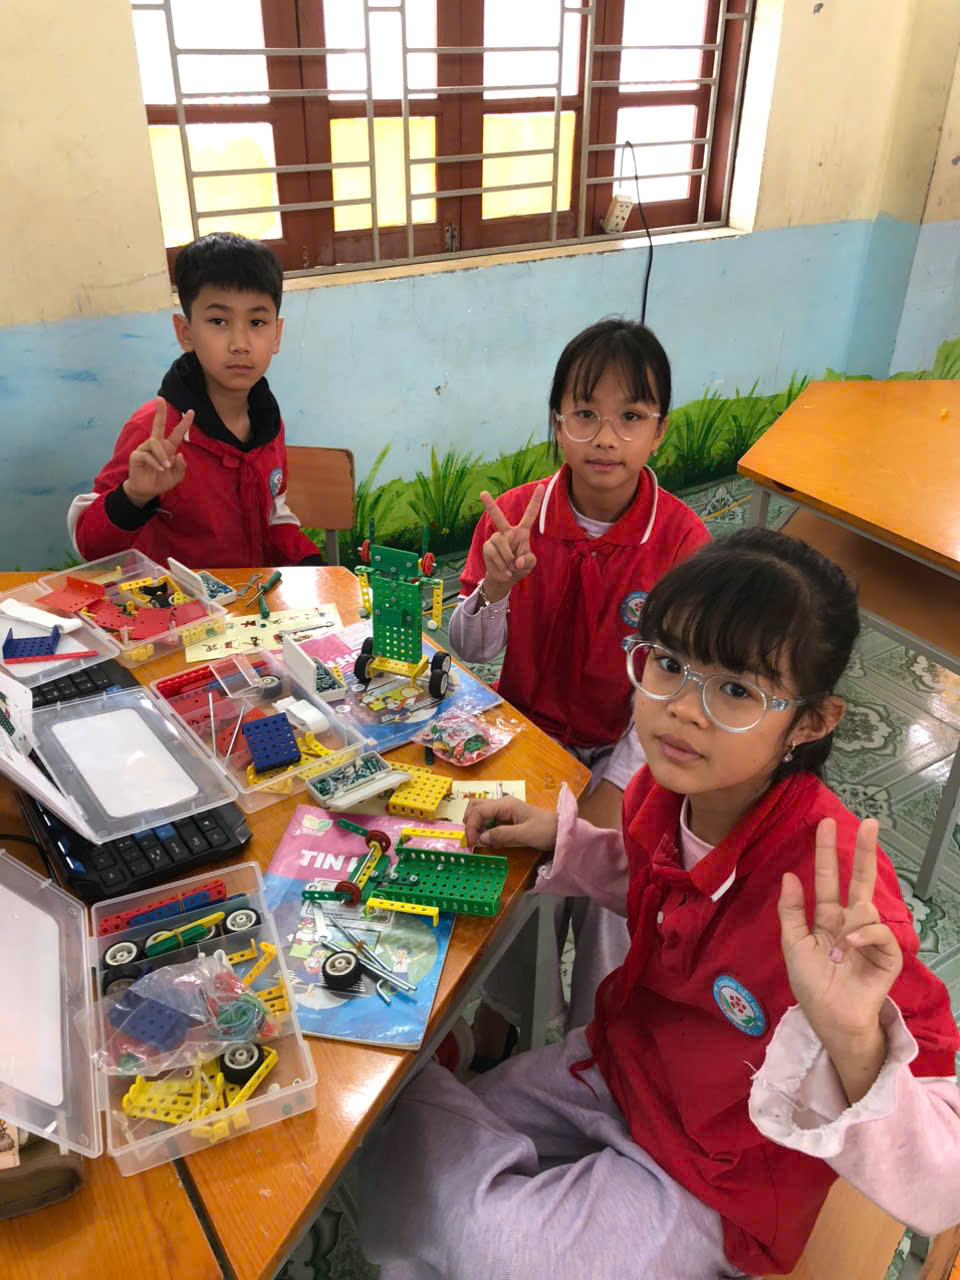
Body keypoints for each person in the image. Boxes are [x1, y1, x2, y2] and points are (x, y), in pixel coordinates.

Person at [358, 529, 960, 1279]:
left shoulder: (842, 901)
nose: (682, 710)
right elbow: (667, 891)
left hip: (719, 1177)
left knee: (488, 1238)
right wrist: (567, 841)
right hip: (620, 1068)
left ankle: (484, 1204)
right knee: (378, 1123)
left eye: (736, 690)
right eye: (669, 664)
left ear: (810, 722)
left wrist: (854, 1043)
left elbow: (944, 1181)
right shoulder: (664, 792)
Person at [448, 318, 710, 1061]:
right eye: (585, 413)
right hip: (524, 741)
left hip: (632, 758)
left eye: (631, 416)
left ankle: (600, 1047)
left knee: (612, 908)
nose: (605, 438)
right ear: (557, 421)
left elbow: (676, 694)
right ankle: (500, 1026)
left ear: (659, 431)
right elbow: (469, 655)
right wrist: (495, 588)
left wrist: (610, 791)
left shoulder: (683, 543)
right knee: (514, 888)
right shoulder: (514, 519)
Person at [68, 232, 324, 569]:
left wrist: (312, 567)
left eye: (257, 322)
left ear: (276, 335)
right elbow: (88, 546)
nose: (240, 343)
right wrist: (134, 495)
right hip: (174, 601)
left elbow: (273, 515)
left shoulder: (267, 423)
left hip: (250, 597)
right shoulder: (153, 429)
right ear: (185, 332)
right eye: (218, 321)